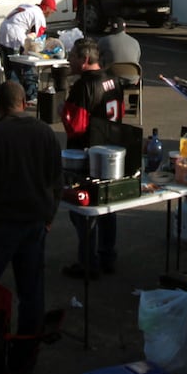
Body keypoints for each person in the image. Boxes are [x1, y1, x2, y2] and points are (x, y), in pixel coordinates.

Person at [0, 80, 61, 339]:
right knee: (31, 291)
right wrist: (49, 217)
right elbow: (57, 180)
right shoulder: (45, 133)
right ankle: (27, 349)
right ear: (24, 104)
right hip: (35, 222)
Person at [61, 38, 125, 280]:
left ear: (85, 60)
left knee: (82, 209)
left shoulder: (83, 87)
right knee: (108, 206)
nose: (69, 60)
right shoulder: (114, 80)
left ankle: (88, 262)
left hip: (86, 155)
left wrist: (62, 113)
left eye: (73, 56)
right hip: (112, 152)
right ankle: (107, 255)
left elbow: (76, 128)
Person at [0, 0, 58, 102]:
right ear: (47, 8)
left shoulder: (28, 6)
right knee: (26, 66)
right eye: (52, 11)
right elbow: (38, 40)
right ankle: (31, 95)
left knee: (10, 67)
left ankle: (12, 98)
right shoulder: (39, 15)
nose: (51, 14)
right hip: (14, 36)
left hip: (3, 33)